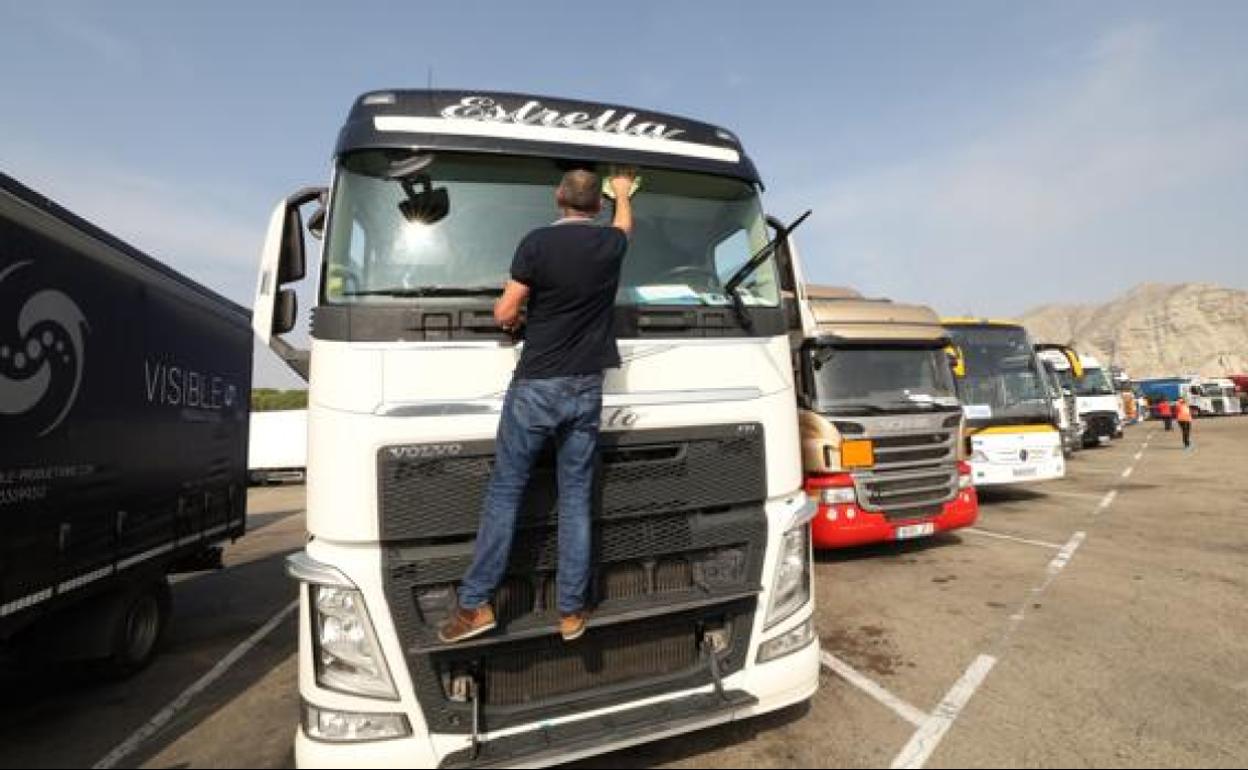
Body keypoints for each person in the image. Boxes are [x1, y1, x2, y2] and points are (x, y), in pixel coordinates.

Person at [439, 167, 636, 644]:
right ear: (597, 205)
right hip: (586, 386)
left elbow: (505, 312)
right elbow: (625, 225)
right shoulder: (611, 244)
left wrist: (519, 319)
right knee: (575, 497)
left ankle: (476, 605)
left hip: (537, 384)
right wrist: (625, 193)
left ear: (558, 199)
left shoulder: (536, 244)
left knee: (507, 491)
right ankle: (571, 612)